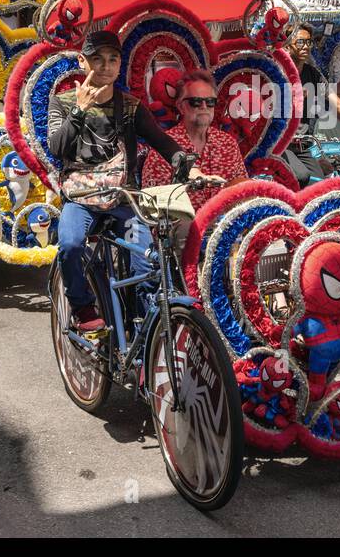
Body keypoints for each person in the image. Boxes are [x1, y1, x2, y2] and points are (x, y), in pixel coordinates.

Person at [48, 30, 219, 332]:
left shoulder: (130, 106)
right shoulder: (61, 102)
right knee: (71, 245)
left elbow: (162, 141)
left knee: (148, 263)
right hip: (80, 200)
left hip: (122, 200)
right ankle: (83, 308)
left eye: (113, 59)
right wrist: (80, 109)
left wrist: (191, 170)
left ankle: (147, 334)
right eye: (97, 59)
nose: (105, 66)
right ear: (82, 61)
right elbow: (57, 148)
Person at [280, 24, 340, 185]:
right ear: (287, 44)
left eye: (308, 42)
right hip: (281, 144)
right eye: (300, 42)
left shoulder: (313, 74)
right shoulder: (278, 71)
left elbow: (338, 103)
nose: (306, 46)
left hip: (302, 144)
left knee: (320, 182)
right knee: (301, 176)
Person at [141, 69, 247, 211]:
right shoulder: (164, 147)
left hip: (227, 228)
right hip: (184, 230)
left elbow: (245, 191)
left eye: (210, 102)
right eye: (195, 102)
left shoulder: (229, 144)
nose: (204, 107)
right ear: (180, 106)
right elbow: (152, 206)